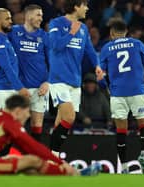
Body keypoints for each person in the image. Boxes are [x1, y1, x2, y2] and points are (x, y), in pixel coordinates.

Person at [0, 94, 101, 175]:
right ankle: (73, 173)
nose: (28, 115)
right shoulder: (8, 122)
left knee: (27, 165)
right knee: (32, 160)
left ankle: (64, 175)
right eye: (27, 112)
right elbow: (33, 147)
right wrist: (59, 162)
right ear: (18, 111)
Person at [0, 5, 50, 141]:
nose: (41, 19)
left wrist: (48, 81)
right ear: (29, 16)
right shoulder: (13, 31)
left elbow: (54, 62)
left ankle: (31, 158)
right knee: (16, 126)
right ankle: (12, 157)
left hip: (39, 87)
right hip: (18, 88)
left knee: (37, 126)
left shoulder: (45, 36)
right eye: (38, 15)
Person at [47, 0, 103, 156]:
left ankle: (52, 157)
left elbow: (90, 50)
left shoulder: (83, 28)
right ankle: (54, 156)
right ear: (76, 6)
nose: (87, 8)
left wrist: (97, 66)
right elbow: (56, 46)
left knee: (61, 121)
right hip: (58, 78)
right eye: (84, 5)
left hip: (75, 80)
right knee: (70, 117)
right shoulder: (56, 23)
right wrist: (71, 32)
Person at [100, 19, 144, 174]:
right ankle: (143, 154)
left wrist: (106, 87)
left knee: (121, 130)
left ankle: (123, 167)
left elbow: (99, 73)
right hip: (137, 90)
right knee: (143, 125)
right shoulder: (137, 44)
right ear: (126, 33)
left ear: (111, 34)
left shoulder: (107, 48)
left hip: (118, 93)